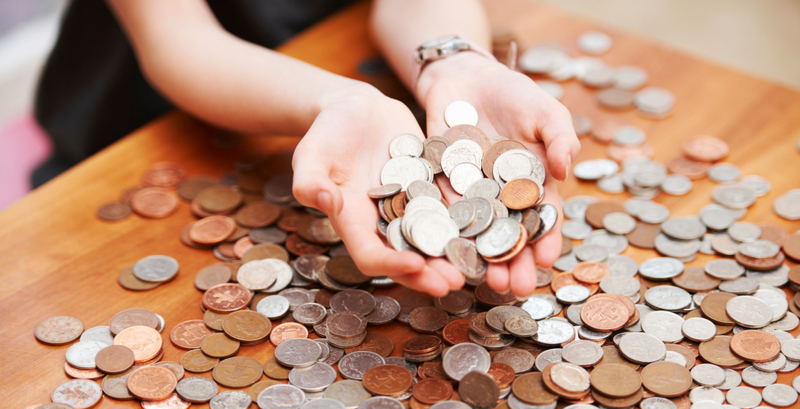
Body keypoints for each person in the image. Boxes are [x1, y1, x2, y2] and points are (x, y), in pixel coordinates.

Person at [34, 0, 580, 299]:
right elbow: (175, 35)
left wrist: (456, 62)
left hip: (334, 64)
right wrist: (334, 101)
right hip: (151, 129)